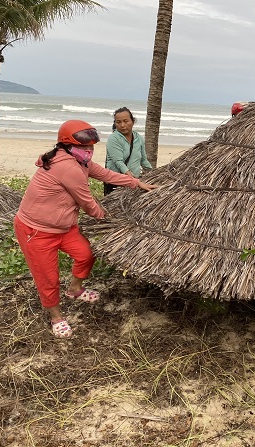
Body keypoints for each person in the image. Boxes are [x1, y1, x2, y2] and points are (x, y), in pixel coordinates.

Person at [14, 120, 157, 338]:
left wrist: (135, 183)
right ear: (66, 146)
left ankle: (74, 289)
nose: (89, 151)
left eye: (91, 147)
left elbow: (105, 174)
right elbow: (87, 203)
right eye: (84, 147)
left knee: (86, 254)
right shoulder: (67, 167)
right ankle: (56, 317)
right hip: (36, 230)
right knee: (48, 278)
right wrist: (108, 218)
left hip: (64, 228)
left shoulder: (80, 162)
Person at [104, 107, 153, 195]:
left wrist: (153, 172)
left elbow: (143, 160)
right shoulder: (113, 139)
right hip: (116, 182)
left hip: (133, 182)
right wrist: (134, 181)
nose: (122, 125)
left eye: (126, 121)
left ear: (133, 121)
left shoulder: (138, 138)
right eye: (118, 122)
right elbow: (119, 162)